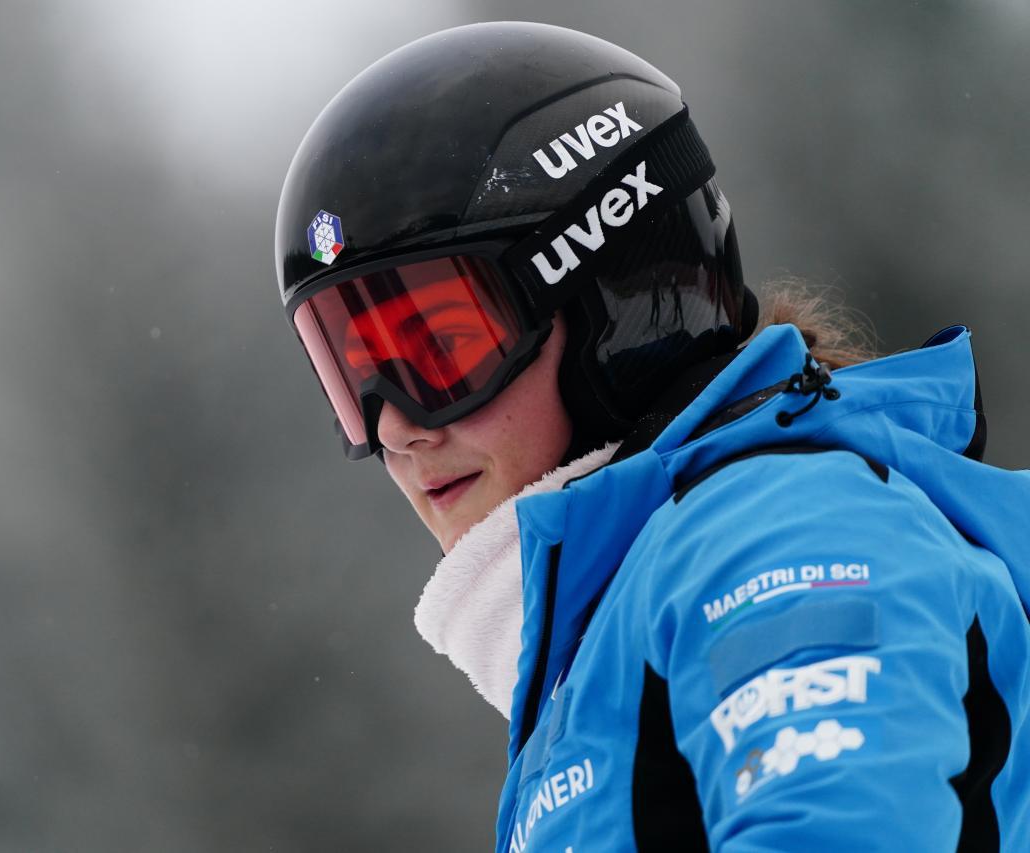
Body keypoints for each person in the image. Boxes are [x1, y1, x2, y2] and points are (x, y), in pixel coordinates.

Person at [273, 21, 1030, 852]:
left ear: (613, 309)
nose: (395, 426)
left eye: (441, 351)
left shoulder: (778, 527)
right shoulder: (601, 645)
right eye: (355, 376)